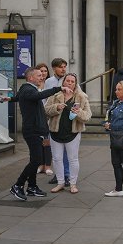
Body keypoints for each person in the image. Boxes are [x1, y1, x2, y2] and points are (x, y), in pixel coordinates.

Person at [0, 67, 68, 201]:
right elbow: (38, 96)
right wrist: (59, 88)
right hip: (32, 131)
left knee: (34, 159)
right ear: (30, 78)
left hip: (36, 129)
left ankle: (32, 187)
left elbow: (19, 97)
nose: (42, 77)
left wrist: (9, 99)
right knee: (36, 160)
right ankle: (18, 185)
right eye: (38, 75)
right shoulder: (29, 90)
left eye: (42, 75)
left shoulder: (26, 90)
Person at [44, 72, 91, 194]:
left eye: (72, 81)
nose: (69, 83)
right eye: (67, 81)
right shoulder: (55, 95)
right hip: (55, 132)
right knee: (57, 158)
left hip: (73, 133)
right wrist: (56, 107)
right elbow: (45, 110)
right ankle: (60, 183)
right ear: (63, 82)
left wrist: (78, 112)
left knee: (73, 159)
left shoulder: (81, 97)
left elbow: (87, 116)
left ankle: (73, 184)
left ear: (75, 84)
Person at [44, 58, 70, 186]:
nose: (63, 69)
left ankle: (67, 175)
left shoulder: (70, 80)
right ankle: (59, 175)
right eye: (61, 67)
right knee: (56, 151)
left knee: (67, 151)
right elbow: (45, 99)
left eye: (65, 66)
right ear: (54, 68)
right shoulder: (49, 82)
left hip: (67, 120)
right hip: (53, 119)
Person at [34, 62, 53, 176]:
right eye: (41, 71)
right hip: (37, 116)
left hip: (47, 115)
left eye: (45, 71)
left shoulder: (49, 84)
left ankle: (48, 165)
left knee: (47, 141)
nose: (43, 73)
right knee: (38, 142)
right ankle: (40, 164)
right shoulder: (34, 85)